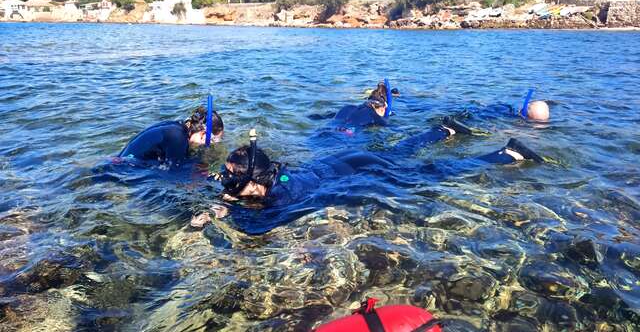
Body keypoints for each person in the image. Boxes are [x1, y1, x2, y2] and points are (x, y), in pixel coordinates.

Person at [193, 121, 546, 234]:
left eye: (234, 179)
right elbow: (236, 187)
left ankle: (505, 155)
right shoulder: (271, 178)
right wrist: (227, 193)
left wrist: (226, 211)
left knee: (425, 174)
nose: (228, 182)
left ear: (256, 182)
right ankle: (443, 131)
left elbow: (260, 227)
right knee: (397, 151)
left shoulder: (280, 198)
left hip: (359, 170)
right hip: (344, 160)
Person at [117, 106, 224, 167]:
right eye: (212, 141)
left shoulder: (177, 127)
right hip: (125, 169)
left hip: (121, 161)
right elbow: (175, 173)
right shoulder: (178, 138)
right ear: (204, 134)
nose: (208, 145)